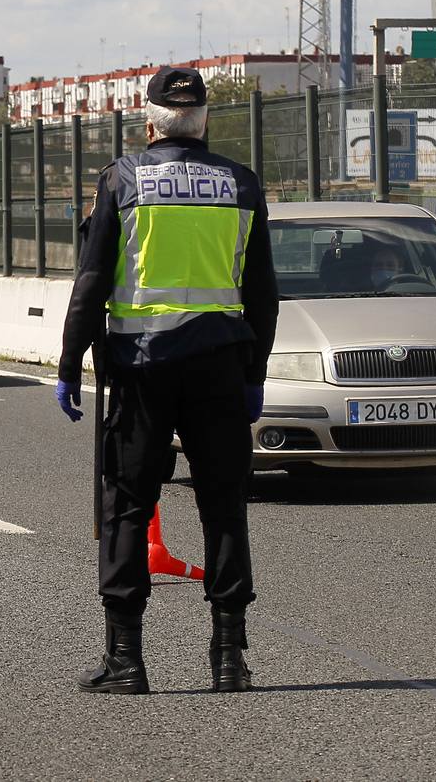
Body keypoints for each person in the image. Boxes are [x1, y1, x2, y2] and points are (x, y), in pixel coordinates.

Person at [55, 66, 279, 695]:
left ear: (147, 119)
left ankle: (127, 661)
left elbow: (92, 283)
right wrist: (255, 373)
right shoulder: (240, 183)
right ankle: (230, 660)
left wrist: (70, 365)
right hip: (220, 366)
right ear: (204, 119)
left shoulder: (122, 179)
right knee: (224, 506)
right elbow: (263, 293)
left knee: (127, 507)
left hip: (140, 367)